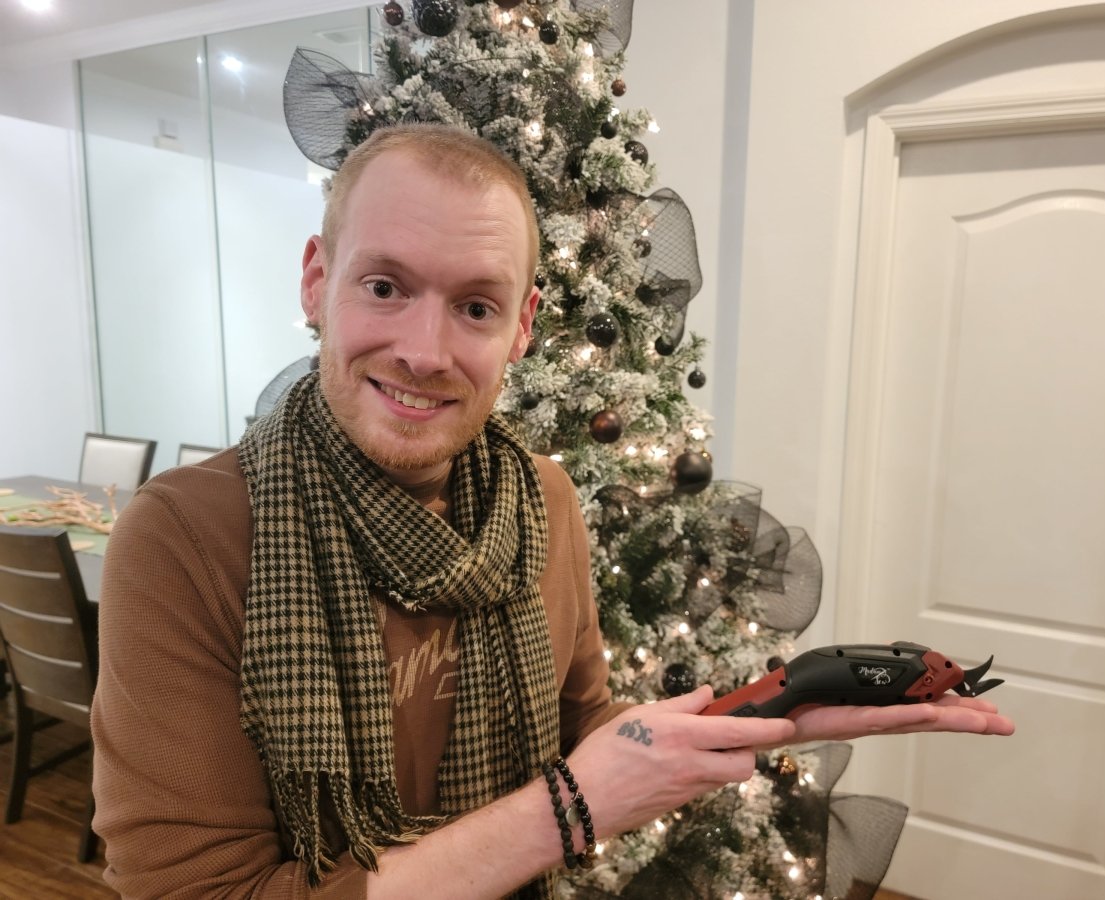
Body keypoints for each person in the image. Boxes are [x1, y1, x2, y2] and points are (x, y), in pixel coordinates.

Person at [90, 124, 1013, 899]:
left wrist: (767, 713)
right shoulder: (184, 537)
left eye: (476, 306)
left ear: (523, 326)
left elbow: (586, 722)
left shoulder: (543, 499)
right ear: (314, 281)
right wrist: (569, 806)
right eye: (385, 286)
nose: (424, 349)